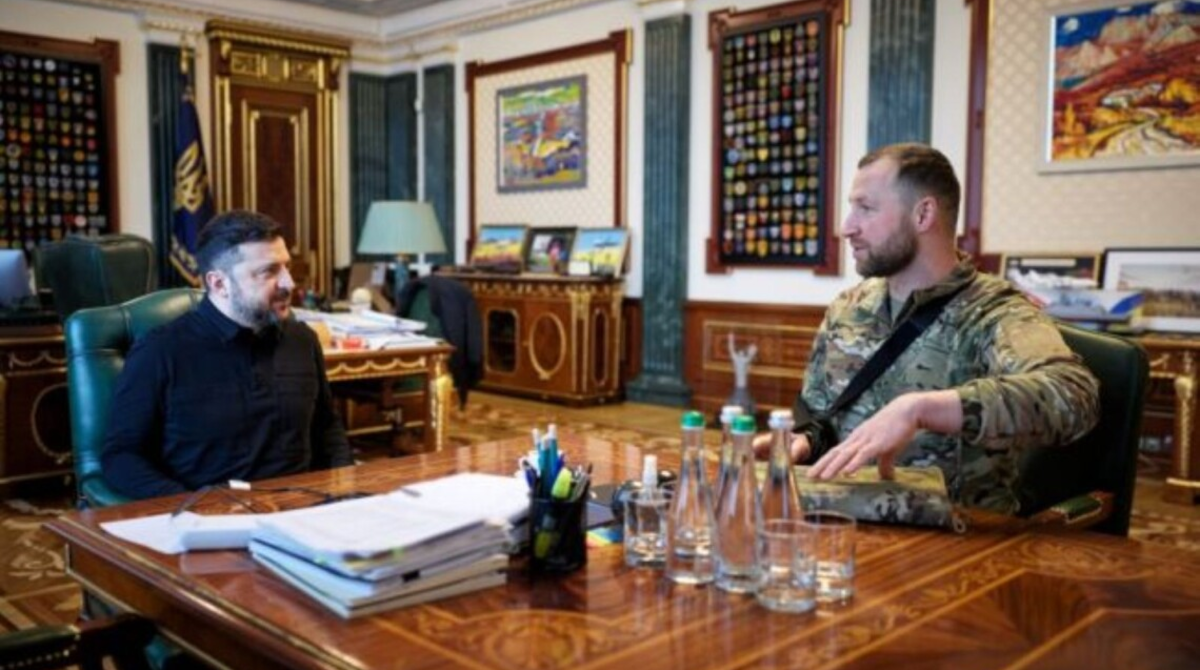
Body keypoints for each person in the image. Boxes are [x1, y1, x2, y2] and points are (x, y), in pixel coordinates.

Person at [758, 143, 1100, 514]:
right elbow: (820, 418)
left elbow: (1073, 395)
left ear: (923, 215)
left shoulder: (993, 312)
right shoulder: (848, 308)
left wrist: (922, 409)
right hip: (845, 521)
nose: (846, 227)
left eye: (866, 208)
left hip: (956, 533)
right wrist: (806, 441)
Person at [102, 210, 352, 499]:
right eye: (269, 271)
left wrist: (344, 488)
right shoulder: (159, 352)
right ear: (219, 284)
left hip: (301, 508)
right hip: (209, 515)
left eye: (286, 267)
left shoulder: (302, 340)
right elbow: (121, 458)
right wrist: (193, 506)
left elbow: (326, 428)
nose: (289, 283)